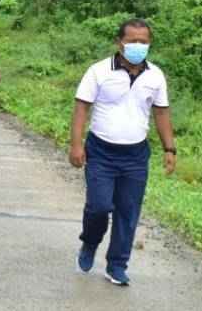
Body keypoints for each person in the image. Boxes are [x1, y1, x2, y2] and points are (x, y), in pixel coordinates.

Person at [70, 18, 176, 286]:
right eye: (132, 41)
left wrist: (169, 148)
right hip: (101, 151)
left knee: (128, 212)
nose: (138, 46)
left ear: (150, 43)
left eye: (143, 41)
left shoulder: (155, 76)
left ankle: (117, 265)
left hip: (135, 156)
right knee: (99, 207)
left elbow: (161, 112)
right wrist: (76, 144)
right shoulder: (98, 71)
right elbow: (81, 108)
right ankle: (90, 243)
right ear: (120, 43)